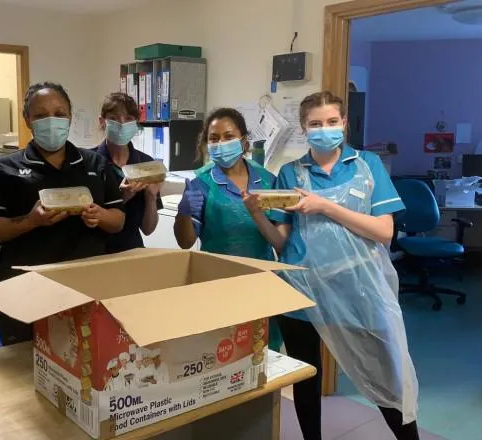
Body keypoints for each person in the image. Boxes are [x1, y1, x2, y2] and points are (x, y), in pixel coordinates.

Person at [244, 91, 419, 440]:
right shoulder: (290, 173)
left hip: (360, 292)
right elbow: (282, 242)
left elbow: (384, 232)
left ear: (344, 125)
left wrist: (326, 207)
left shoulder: (367, 165)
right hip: (303, 294)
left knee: (387, 375)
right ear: (304, 129)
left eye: (331, 122)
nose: (324, 129)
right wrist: (256, 214)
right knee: (308, 381)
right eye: (315, 124)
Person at [0, 82, 125, 346]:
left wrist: (100, 215)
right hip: (23, 291)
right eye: (41, 115)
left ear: (69, 117)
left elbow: (118, 219)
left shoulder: (95, 164)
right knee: (21, 371)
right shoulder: (3, 168)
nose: (51, 121)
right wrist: (31, 221)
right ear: (27, 120)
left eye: (59, 113)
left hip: (84, 290)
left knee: (82, 364)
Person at [173, 107, 284, 351]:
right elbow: (185, 242)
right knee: (222, 355)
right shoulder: (201, 183)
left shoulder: (267, 181)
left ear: (244, 141)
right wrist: (183, 212)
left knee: (265, 357)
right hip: (217, 284)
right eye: (214, 138)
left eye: (228, 136)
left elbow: (281, 240)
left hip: (261, 283)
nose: (221, 143)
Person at [92, 92, 162, 253]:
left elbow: (148, 230)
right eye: (114, 118)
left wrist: (151, 197)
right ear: (102, 122)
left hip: (132, 250)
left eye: (129, 118)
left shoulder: (146, 163)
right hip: (97, 252)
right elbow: (86, 219)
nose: (122, 124)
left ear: (136, 124)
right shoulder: (89, 162)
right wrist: (120, 198)